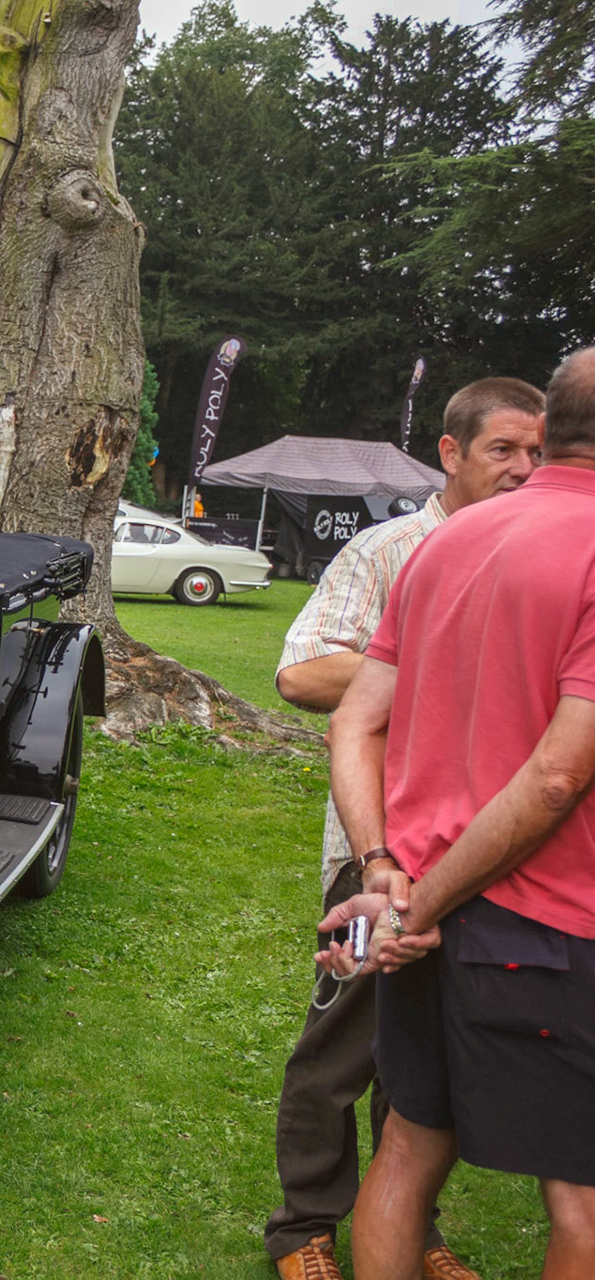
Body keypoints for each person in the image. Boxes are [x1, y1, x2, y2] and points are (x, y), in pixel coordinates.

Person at [320, 346, 595, 1280]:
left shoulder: (447, 539)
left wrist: (384, 873)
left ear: (552, 430)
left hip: (420, 909)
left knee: (407, 1149)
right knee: (584, 1199)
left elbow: (354, 723)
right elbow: (558, 779)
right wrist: (420, 902)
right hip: (548, 922)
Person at [264, 377, 546, 1280]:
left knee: (424, 1062)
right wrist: (442, 673)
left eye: (538, 452)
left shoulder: (542, 550)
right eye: (504, 450)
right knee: (340, 1049)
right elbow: (301, 674)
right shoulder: (394, 550)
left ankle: (411, 1229)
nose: (523, 469)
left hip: (492, 855)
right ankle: (303, 1227)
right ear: (450, 453)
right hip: (378, 848)